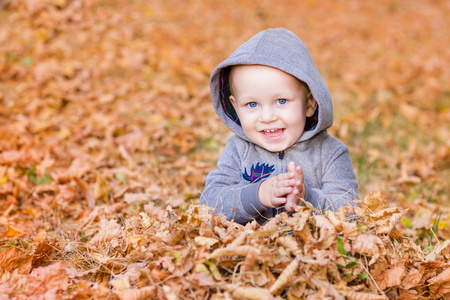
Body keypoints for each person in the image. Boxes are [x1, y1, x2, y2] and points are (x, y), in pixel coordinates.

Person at [201, 28, 358, 225]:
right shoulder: (238, 150)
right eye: (252, 104)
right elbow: (209, 205)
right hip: (251, 251)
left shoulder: (330, 153)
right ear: (235, 106)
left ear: (309, 103)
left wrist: (307, 198)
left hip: (312, 252)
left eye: (281, 101)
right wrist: (257, 194)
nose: (267, 117)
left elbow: (351, 211)